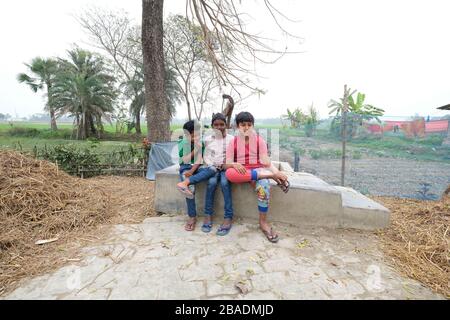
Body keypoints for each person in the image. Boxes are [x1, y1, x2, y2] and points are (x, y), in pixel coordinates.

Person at [224, 112, 290, 243]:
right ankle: (271, 176)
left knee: (264, 185)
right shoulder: (233, 142)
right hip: (243, 171)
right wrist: (234, 163)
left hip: (258, 170)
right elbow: (227, 165)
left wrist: (276, 172)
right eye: (243, 125)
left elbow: (266, 162)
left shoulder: (259, 141)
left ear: (253, 126)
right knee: (229, 174)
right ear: (238, 126)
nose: (246, 128)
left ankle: (263, 222)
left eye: (249, 125)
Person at [177, 120, 217, 231]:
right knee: (190, 189)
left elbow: (199, 160)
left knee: (213, 169)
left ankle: (185, 182)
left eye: (198, 135)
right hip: (185, 167)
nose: (196, 138)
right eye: (193, 136)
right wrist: (196, 149)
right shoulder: (183, 143)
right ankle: (192, 217)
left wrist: (192, 173)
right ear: (186, 135)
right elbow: (185, 159)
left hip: (198, 167)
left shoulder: (201, 143)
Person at [201, 113, 235, 236]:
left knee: (225, 183)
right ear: (212, 126)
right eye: (216, 125)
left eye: (222, 124)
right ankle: (207, 215)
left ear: (226, 125)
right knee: (211, 183)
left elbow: (234, 156)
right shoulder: (208, 140)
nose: (219, 127)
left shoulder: (231, 139)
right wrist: (212, 166)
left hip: (227, 168)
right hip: (213, 168)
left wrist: (226, 165)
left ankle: (228, 217)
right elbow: (207, 157)